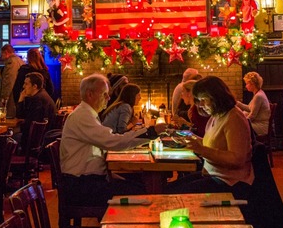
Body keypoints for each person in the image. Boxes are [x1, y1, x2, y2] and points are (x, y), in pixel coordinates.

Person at [59, 73, 166, 207]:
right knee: (141, 192)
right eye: (104, 94)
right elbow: (112, 141)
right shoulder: (82, 116)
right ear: (90, 94)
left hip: (85, 181)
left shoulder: (88, 114)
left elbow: (109, 141)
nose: (108, 98)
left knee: (139, 183)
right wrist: (151, 132)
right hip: (81, 186)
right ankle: (128, 225)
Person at [166, 76, 254, 200]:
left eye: (203, 99)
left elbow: (237, 159)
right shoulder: (217, 115)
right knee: (169, 189)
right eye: (198, 100)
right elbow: (213, 143)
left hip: (230, 182)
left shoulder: (234, 118)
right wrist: (192, 141)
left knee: (174, 195)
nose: (200, 105)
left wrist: (201, 150)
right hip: (212, 174)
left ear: (216, 96)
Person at [15, 72, 57, 147]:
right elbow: (21, 116)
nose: (23, 86)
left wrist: (22, 123)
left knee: (8, 139)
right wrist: (21, 99)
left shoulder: (37, 100)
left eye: (26, 84)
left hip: (36, 141)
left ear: (34, 86)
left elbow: (29, 125)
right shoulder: (42, 95)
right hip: (45, 138)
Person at [237, 72, 271, 137]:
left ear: (253, 84)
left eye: (247, 83)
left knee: (237, 128)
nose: (246, 86)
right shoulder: (258, 93)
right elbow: (249, 108)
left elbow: (252, 116)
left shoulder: (258, 96)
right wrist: (237, 103)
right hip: (257, 124)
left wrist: (242, 121)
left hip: (260, 126)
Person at [0, 44, 23, 118]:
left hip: (11, 97)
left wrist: (4, 98)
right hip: (18, 95)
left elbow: (8, 82)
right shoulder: (20, 60)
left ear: (6, 52)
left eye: (1, 54)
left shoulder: (10, 63)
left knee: (9, 118)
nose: (1, 57)